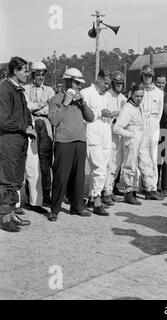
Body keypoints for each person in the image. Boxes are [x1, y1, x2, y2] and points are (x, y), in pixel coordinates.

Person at [48, 68, 94, 221]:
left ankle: (77, 206)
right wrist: (66, 104)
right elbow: (54, 120)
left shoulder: (80, 100)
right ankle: (55, 209)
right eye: (77, 83)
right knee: (61, 177)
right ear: (67, 81)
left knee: (78, 177)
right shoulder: (56, 99)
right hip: (63, 142)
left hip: (80, 141)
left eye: (80, 84)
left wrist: (83, 104)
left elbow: (91, 118)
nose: (79, 87)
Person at [0, 57, 34, 232]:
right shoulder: (4, 89)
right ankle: (4, 218)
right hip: (8, 142)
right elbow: (3, 120)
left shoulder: (19, 90)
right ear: (15, 71)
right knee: (7, 181)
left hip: (19, 141)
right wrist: (25, 128)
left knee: (15, 180)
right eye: (25, 71)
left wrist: (30, 126)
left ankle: (11, 213)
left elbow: (26, 113)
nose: (28, 74)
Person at [22, 61, 54, 212]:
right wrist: (42, 105)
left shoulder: (49, 90)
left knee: (45, 162)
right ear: (33, 74)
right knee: (32, 162)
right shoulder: (26, 89)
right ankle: (32, 199)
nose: (41, 76)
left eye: (43, 74)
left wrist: (39, 106)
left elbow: (52, 107)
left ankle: (46, 196)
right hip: (32, 124)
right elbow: (28, 106)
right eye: (38, 73)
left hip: (46, 125)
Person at [114, 85, 151, 205]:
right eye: (137, 96)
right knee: (129, 165)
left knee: (139, 165)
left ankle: (134, 190)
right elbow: (117, 128)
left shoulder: (137, 106)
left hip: (139, 139)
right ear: (131, 95)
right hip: (131, 140)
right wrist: (130, 134)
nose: (139, 98)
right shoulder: (128, 108)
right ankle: (128, 192)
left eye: (141, 96)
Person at [82, 70, 112, 215]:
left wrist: (111, 114)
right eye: (105, 83)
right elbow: (83, 116)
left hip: (105, 134)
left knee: (103, 168)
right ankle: (97, 200)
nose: (107, 86)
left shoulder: (106, 95)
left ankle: (92, 196)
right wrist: (101, 113)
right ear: (98, 79)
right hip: (93, 136)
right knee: (98, 168)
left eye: (109, 84)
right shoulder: (86, 93)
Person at [138, 65, 164, 200]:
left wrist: (154, 126)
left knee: (153, 157)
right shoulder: (137, 90)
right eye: (145, 75)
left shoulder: (159, 93)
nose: (147, 78)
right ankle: (143, 186)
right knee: (141, 157)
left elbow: (159, 112)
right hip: (141, 126)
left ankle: (152, 187)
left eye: (149, 75)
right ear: (141, 75)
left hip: (153, 126)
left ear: (152, 76)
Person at [102, 71, 128, 205]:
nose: (119, 86)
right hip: (108, 133)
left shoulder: (124, 98)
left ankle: (110, 190)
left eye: (121, 84)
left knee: (116, 164)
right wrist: (113, 115)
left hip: (119, 134)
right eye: (117, 83)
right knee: (108, 164)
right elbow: (103, 114)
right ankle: (104, 192)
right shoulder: (106, 96)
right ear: (112, 83)